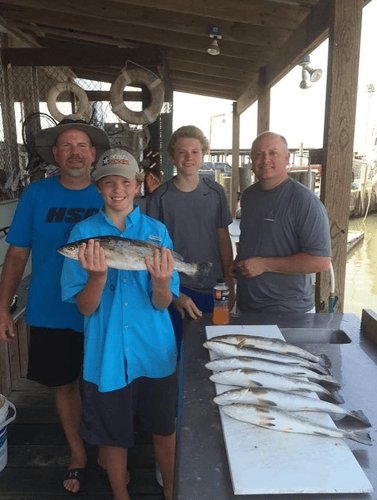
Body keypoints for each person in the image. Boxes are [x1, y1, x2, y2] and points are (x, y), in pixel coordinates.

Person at [0, 116, 110, 495]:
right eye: (67, 146)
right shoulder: (36, 194)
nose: (75, 152)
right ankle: (78, 454)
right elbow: (16, 254)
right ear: (55, 154)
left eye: (82, 146)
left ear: (93, 154)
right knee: (64, 386)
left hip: (103, 309)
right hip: (50, 308)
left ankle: (112, 457)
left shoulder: (109, 193)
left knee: (104, 384)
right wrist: (3, 306)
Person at [61, 148, 179, 500]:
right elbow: (84, 308)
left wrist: (161, 282)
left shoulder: (157, 233)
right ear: (98, 188)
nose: (117, 190)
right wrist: (96, 277)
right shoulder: (82, 233)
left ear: (137, 185)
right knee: (112, 433)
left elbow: (163, 301)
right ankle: (120, 494)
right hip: (107, 355)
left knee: (163, 427)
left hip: (155, 350)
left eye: (125, 182)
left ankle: (173, 491)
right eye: (108, 183)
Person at [146, 125, 234, 354]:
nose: (189, 158)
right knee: (176, 352)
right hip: (179, 288)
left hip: (215, 288)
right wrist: (173, 293)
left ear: (204, 154)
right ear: (173, 157)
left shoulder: (215, 192)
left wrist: (231, 282)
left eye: (195, 152)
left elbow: (223, 239)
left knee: (218, 350)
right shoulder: (160, 197)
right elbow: (152, 249)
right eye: (182, 152)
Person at [234, 131, 331, 313]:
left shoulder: (305, 201)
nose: (265, 160)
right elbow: (255, 241)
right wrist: (238, 261)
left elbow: (321, 261)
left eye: (273, 153)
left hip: (288, 310)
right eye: (258, 154)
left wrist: (264, 265)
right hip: (247, 306)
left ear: (287, 158)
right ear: (251, 161)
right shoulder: (248, 196)